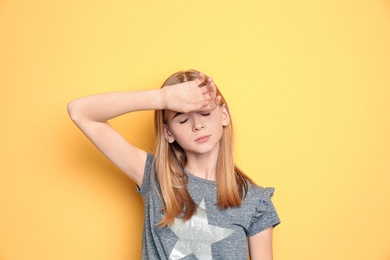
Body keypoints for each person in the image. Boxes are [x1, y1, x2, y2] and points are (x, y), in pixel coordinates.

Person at [67, 69, 280, 260]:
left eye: (205, 113)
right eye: (183, 119)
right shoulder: (154, 175)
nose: (198, 125)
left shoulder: (254, 200)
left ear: (223, 115)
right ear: (168, 133)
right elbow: (80, 112)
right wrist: (163, 98)